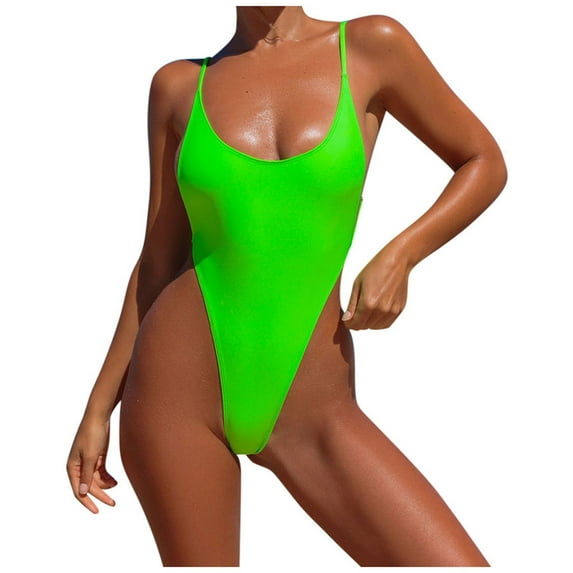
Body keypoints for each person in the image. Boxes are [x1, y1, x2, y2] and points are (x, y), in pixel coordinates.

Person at [66, 5, 507, 567]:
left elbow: (482, 160)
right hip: (173, 396)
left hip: (313, 403)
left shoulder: (372, 46)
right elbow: (157, 260)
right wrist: (98, 409)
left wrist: (402, 254)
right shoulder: (177, 86)